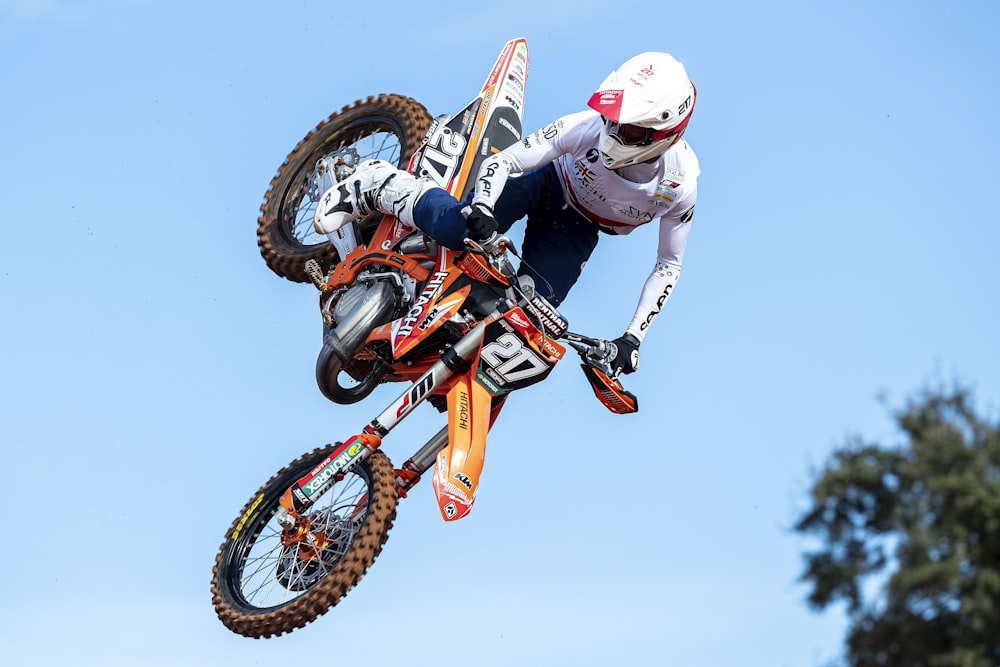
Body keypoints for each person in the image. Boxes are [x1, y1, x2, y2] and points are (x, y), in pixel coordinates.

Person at [315, 51, 700, 378]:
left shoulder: (679, 187)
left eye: (629, 131)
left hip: (576, 229)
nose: (612, 133)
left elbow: (668, 264)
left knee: (523, 330)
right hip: (542, 180)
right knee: (458, 229)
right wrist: (481, 207)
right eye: (611, 119)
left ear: (664, 134)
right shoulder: (585, 127)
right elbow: (508, 162)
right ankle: (380, 185)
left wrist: (632, 337)